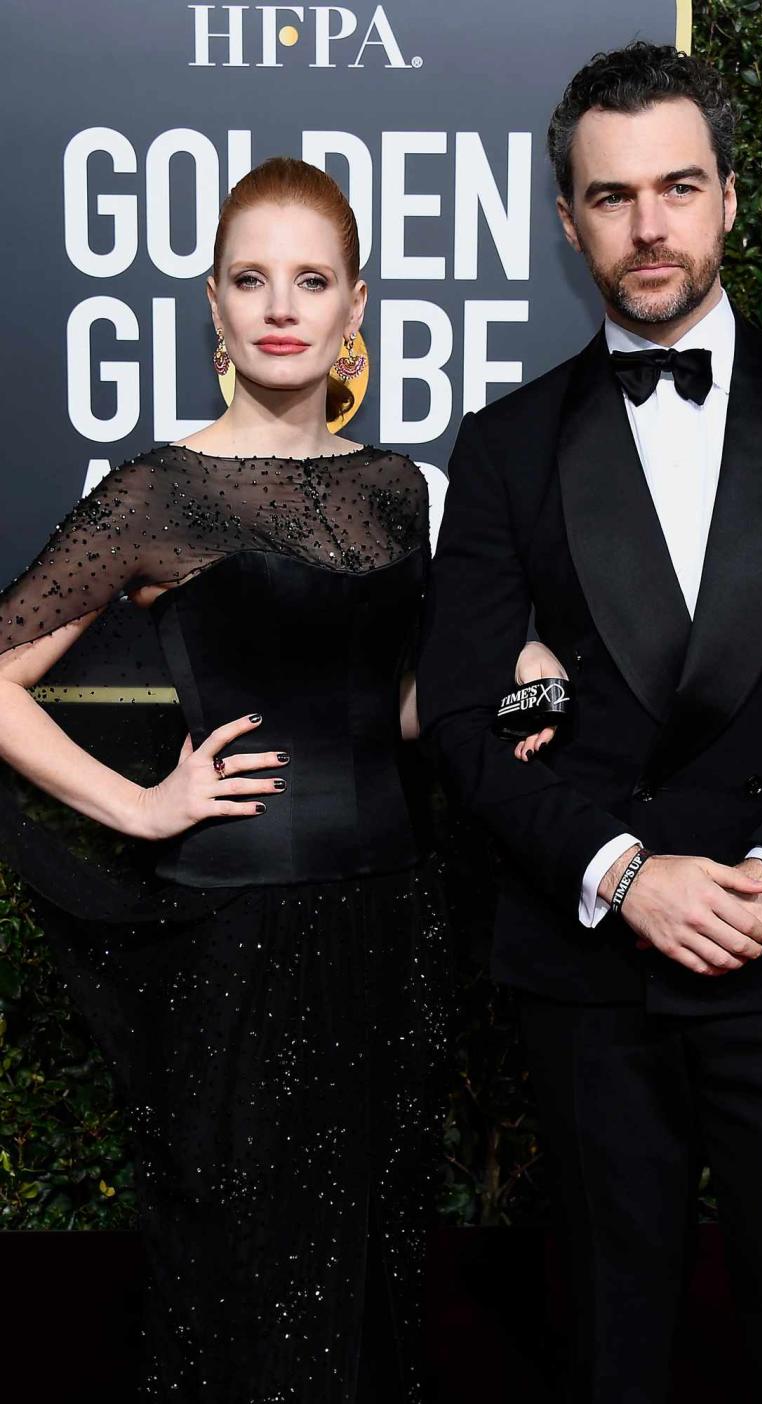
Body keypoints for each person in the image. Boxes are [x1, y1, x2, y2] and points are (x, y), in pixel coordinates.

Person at [418, 41, 762, 1404]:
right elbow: (477, 733)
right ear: (567, 221)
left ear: (726, 198)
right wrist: (621, 874)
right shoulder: (504, 446)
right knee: (608, 1352)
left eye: (676, 188)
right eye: (611, 197)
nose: (648, 227)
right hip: (592, 967)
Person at [0, 155, 554, 1402]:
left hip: (392, 926)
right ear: (214, 303)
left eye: (312, 279)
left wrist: (515, 689)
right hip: (231, 938)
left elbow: (408, 711)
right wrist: (142, 803)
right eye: (252, 279)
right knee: (239, 1255)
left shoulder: (412, 491)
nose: (281, 305)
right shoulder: (154, 493)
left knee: (370, 1253)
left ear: (358, 304)